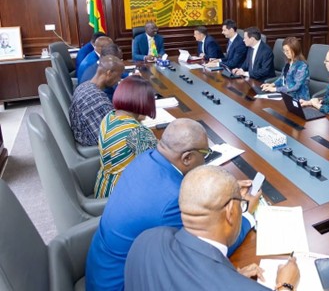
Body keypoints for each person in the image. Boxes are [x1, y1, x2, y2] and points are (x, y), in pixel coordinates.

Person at [86, 119, 259, 291]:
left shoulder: (146, 158)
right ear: (187, 158)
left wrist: (221, 188)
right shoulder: (172, 201)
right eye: (205, 154)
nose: (206, 159)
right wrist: (245, 215)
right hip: (122, 283)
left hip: (100, 268)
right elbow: (205, 251)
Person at [124, 166, 300, 291]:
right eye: (241, 204)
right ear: (230, 211)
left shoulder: (146, 239)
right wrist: (286, 286)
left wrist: (231, 275)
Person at [94, 75, 157, 198]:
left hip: (102, 187)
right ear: (142, 102)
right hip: (121, 195)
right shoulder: (138, 132)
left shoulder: (109, 116)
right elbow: (153, 172)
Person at [70, 56, 125, 147]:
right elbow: (111, 140)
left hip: (83, 138)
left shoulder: (84, 86)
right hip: (95, 148)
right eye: (118, 76)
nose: (119, 80)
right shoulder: (97, 101)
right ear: (109, 73)